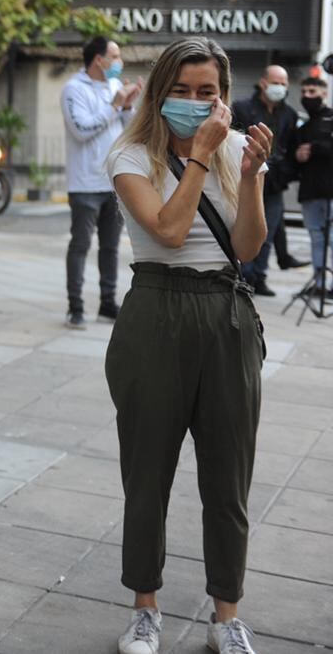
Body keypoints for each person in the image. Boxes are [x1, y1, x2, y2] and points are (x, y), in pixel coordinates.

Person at [105, 37, 269, 654]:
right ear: (159, 91)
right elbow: (171, 232)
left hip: (225, 314)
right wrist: (200, 157)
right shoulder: (129, 156)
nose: (196, 103)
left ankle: (227, 614)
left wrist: (249, 174)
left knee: (229, 478)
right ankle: (145, 608)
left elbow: (248, 248)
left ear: (223, 96)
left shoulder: (234, 151)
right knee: (147, 473)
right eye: (182, 90)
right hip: (155, 310)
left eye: (209, 92)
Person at [61, 36, 141, 329]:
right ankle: (76, 306)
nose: (119, 62)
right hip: (84, 183)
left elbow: (128, 128)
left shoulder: (114, 87)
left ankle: (108, 303)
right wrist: (114, 106)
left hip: (112, 181)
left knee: (110, 247)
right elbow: (81, 129)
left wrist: (127, 106)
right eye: (115, 56)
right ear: (99, 59)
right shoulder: (73, 89)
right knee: (80, 245)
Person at [231, 64, 300, 296]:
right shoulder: (242, 108)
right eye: (275, 82)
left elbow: (291, 148)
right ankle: (244, 277)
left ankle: (259, 277)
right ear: (263, 82)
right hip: (248, 177)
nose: (279, 87)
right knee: (246, 225)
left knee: (267, 233)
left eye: (283, 84)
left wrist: (287, 170)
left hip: (276, 182)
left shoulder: (289, 114)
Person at [289, 76, 333, 299]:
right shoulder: (303, 127)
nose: (307, 97)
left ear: (324, 93)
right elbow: (293, 157)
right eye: (304, 92)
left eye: (312, 92)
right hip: (310, 191)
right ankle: (320, 283)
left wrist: (314, 148)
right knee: (316, 238)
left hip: (330, 191)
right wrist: (298, 155)